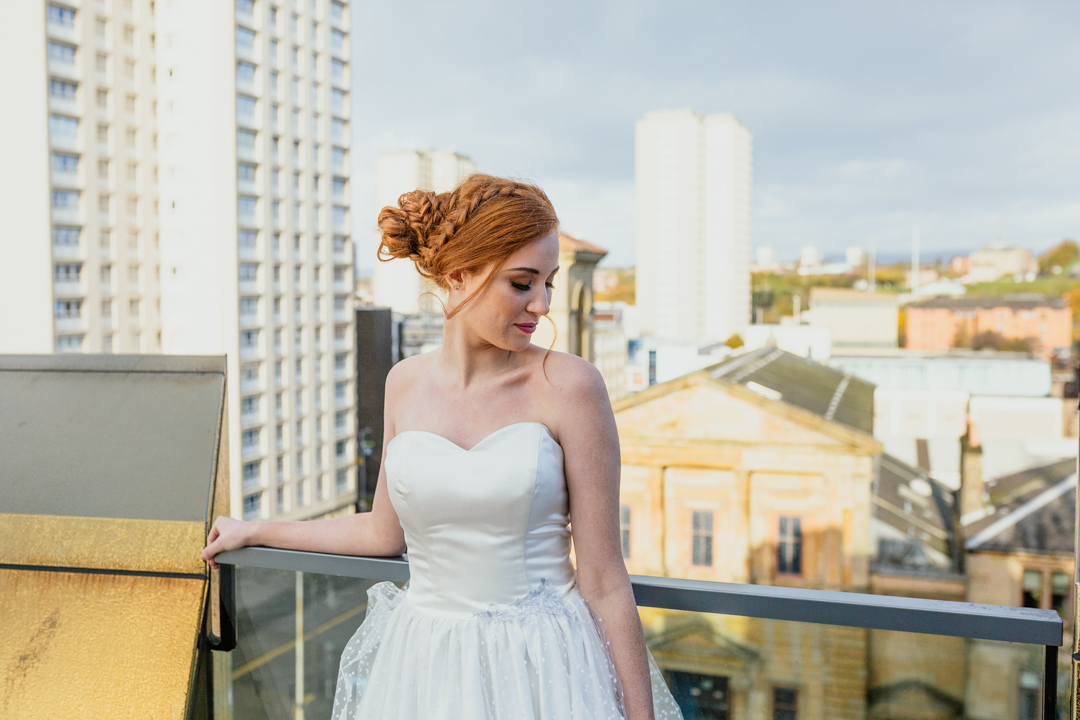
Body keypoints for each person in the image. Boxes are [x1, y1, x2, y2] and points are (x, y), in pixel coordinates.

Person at [201, 174, 683, 720]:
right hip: (423, 667)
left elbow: (604, 579)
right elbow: (382, 533)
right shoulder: (403, 382)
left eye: (549, 282)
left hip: (541, 668)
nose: (542, 304)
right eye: (522, 283)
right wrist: (256, 530)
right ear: (458, 273)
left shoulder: (571, 387)